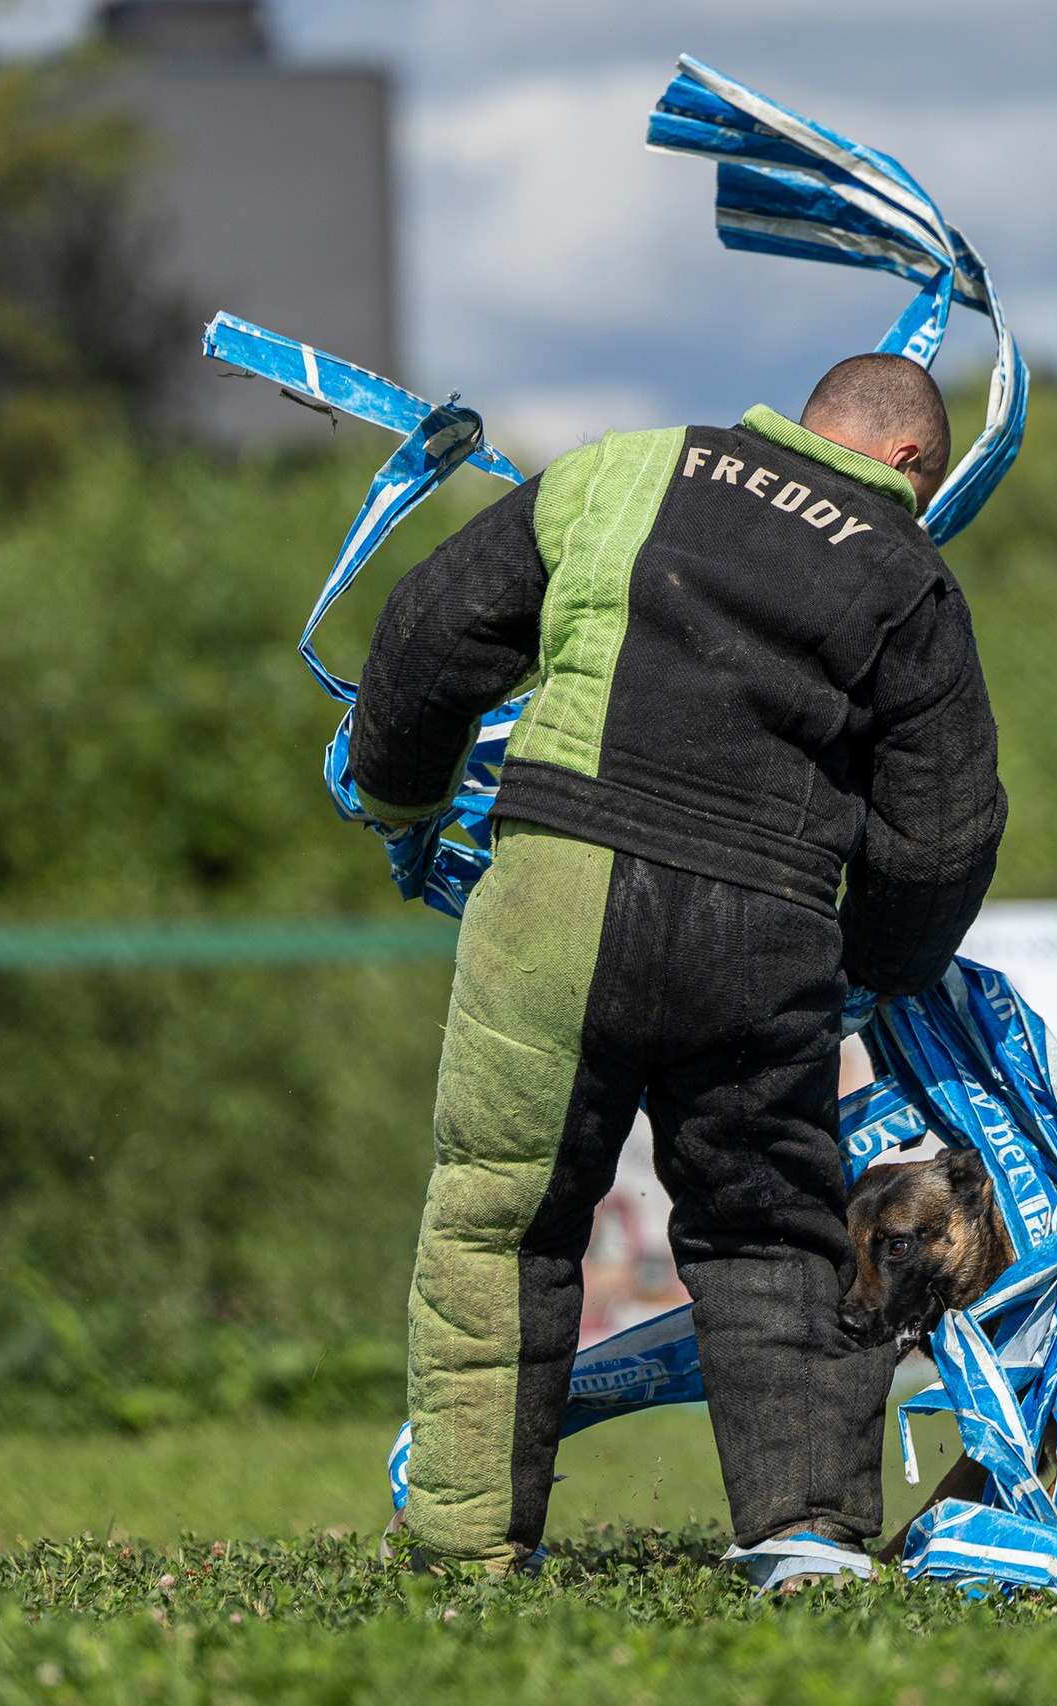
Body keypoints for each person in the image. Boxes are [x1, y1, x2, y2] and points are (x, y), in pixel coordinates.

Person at [349, 353, 1007, 1577]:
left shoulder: (619, 468)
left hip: (558, 895)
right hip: (763, 932)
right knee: (770, 1230)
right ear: (908, 461)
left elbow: (429, 632)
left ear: (809, 423)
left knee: (502, 1222)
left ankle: (467, 1549)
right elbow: (945, 830)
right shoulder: (908, 575)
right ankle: (806, 1534)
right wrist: (873, 964)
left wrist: (397, 795)